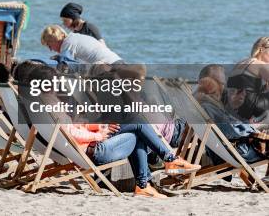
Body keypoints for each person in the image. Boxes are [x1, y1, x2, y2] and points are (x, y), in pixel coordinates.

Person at [20, 64, 200, 198]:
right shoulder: (51, 106)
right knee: (138, 125)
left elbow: (71, 129)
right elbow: (71, 133)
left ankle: (149, 180)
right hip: (94, 151)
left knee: (137, 127)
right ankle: (166, 163)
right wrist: (97, 135)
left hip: (85, 147)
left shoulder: (39, 103)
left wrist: (97, 127)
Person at [196, 64, 265, 164]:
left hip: (226, 149)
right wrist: (254, 127)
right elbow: (231, 130)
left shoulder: (202, 102)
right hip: (238, 152)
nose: (221, 87)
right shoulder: (207, 106)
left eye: (222, 84)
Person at [227, 37, 269, 122]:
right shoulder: (259, 64)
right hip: (246, 111)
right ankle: (257, 123)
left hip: (232, 109)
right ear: (261, 49)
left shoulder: (241, 62)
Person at [40, 25, 123, 66]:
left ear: (55, 40)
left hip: (109, 68)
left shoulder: (67, 45)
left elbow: (65, 68)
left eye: (49, 46)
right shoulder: (75, 37)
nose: (50, 50)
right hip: (119, 62)